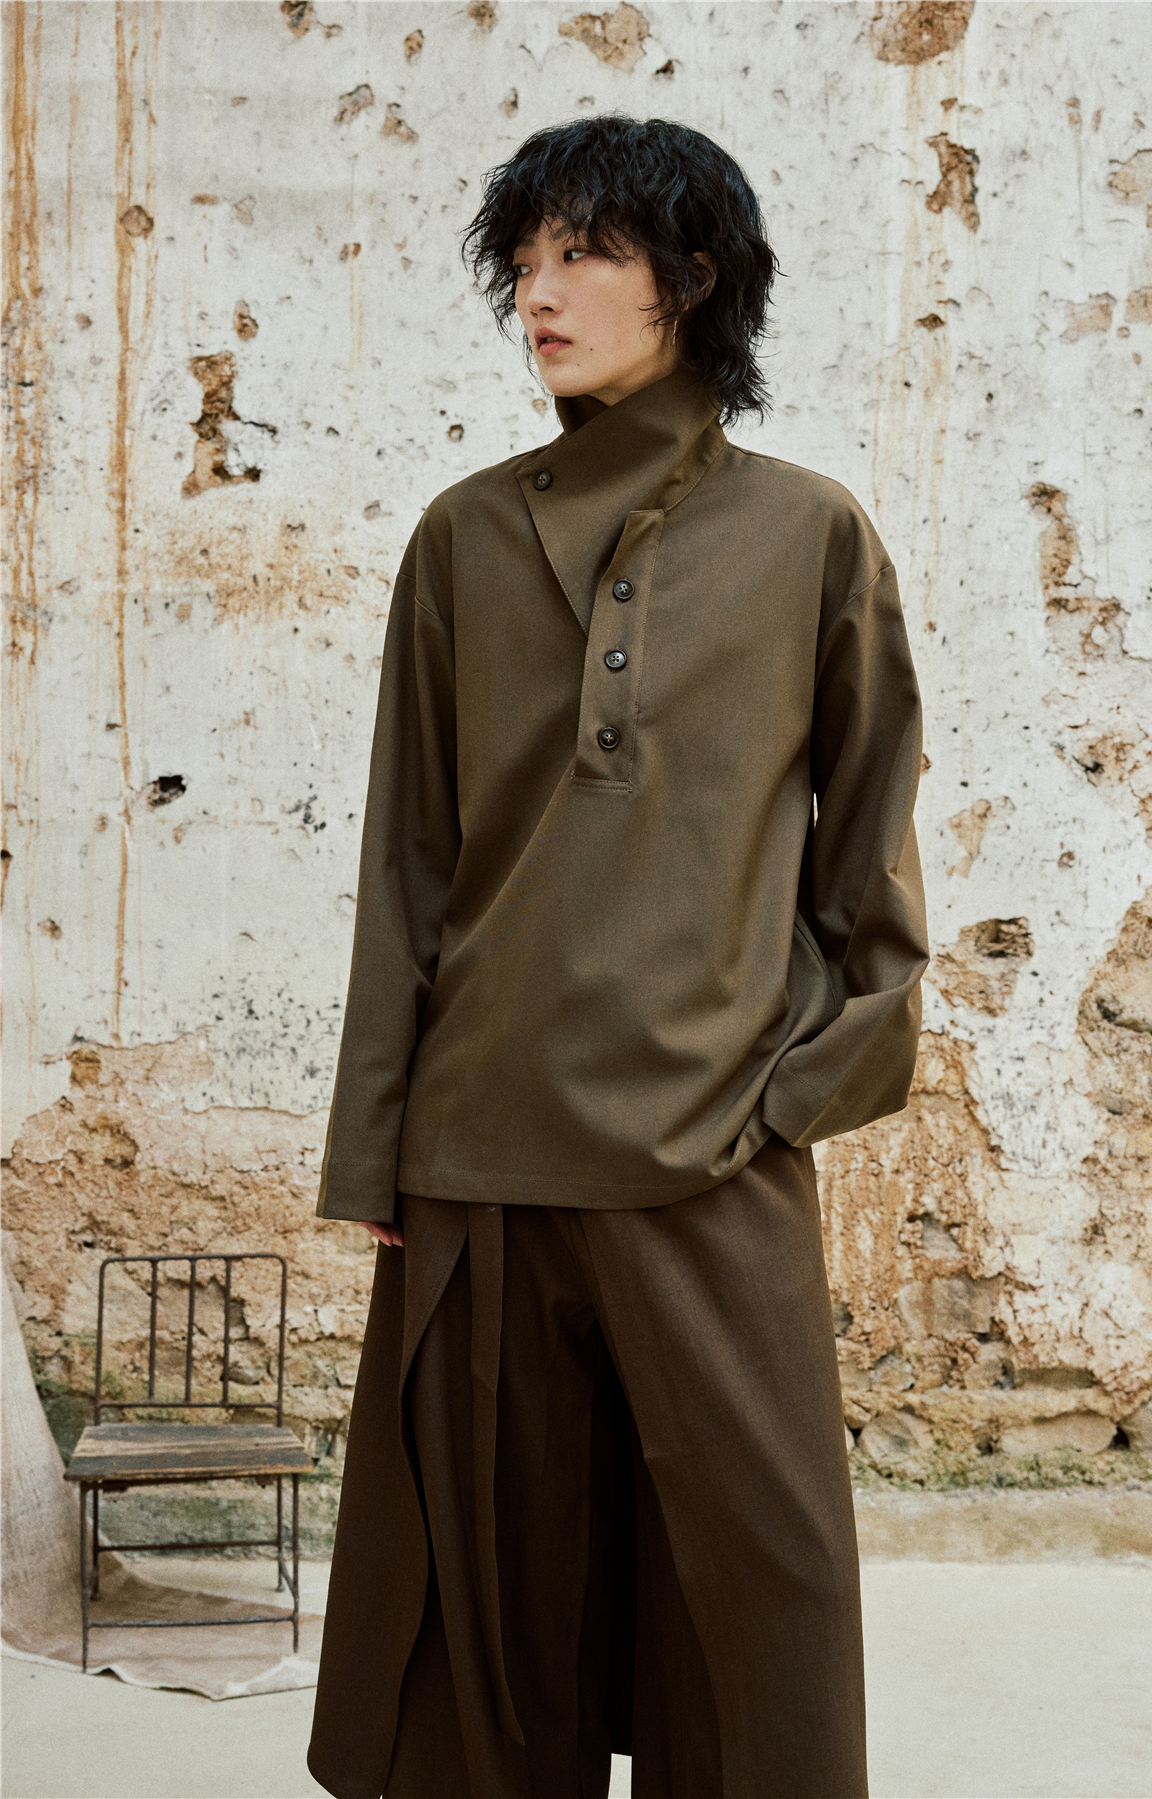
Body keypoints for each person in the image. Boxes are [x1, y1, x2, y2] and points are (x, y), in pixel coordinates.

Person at [307, 114, 927, 1799]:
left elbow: (870, 859)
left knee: (760, 1622)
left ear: (694, 279)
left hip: (710, 1157)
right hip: (478, 1167)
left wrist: (788, 1096)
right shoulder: (460, 538)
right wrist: (378, 1150)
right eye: (524, 261)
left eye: (584, 254)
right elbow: (407, 864)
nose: (541, 293)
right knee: (498, 1645)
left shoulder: (810, 536)